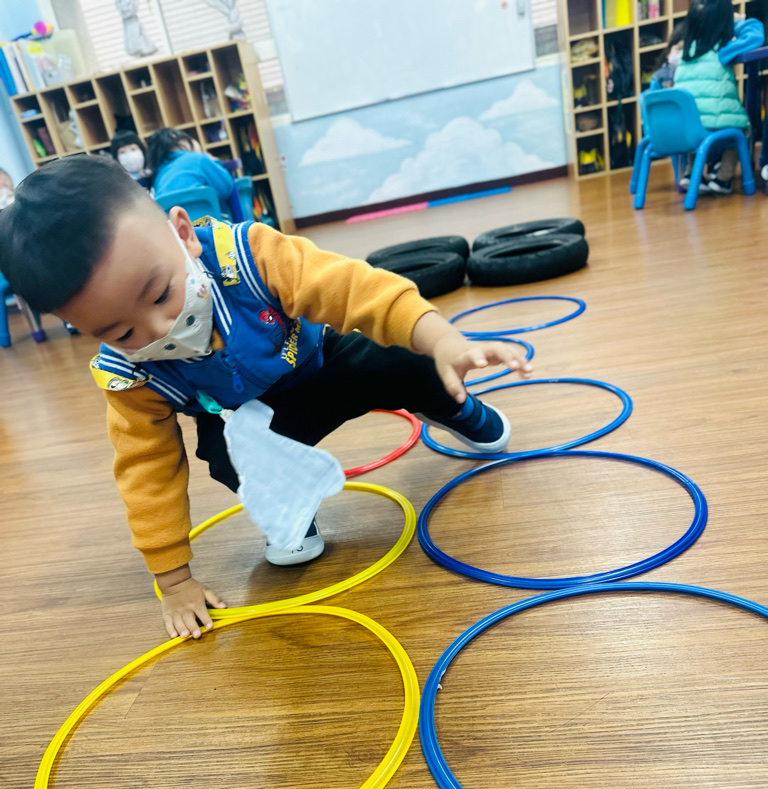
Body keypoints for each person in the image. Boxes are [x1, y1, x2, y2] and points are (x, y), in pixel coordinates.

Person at [0, 156, 531, 640]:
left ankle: (456, 407)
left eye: (161, 294)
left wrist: (442, 339)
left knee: (402, 355)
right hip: (253, 419)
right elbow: (146, 470)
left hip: (324, 360)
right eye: (120, 332)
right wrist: (174, 581)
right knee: (224, 454)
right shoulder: (130, 376)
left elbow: (356, 288)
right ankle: (291, 512)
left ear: (182, 235)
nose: (158, 328)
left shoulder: (249, 256)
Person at [674, 0, 764, 195]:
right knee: (743, 130)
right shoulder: (722, 50)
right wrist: (738, 22)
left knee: (697, 126)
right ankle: (723, 178)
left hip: (686, 129)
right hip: (717, 127)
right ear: (724, 23)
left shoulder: (685, 54)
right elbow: (757, 36)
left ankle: (691, 173)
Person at [147, 126, 234, 214]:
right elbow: (226, 188)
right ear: (174, 136)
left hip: (176, 222)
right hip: (208, 220)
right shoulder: (199, 159)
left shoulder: (159, 176)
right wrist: (215, 162)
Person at [650, 25, 685, 89]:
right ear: (668, 51)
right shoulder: (659, 76)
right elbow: (654, 93)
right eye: (678, 49)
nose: (681, 54)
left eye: (684, 50)